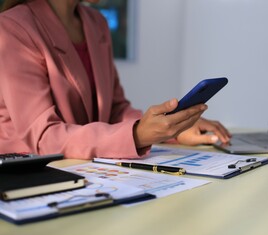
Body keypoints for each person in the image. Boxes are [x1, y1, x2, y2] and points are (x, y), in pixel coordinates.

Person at [0, 0, 231, 159]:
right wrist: (137, 134)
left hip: (86, 172)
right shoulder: (12, 28)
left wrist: (171, 127)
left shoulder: (95, 23)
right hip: (30, 181)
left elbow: (114, 110)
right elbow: (45, 139)